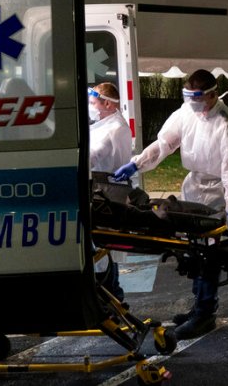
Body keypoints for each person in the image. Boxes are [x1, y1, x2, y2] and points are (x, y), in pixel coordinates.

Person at [113, 69, 228, 339]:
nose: (192, 105)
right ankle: (199, 307)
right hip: (193, 188)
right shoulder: (186, 113)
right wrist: (136, 164)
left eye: (196, 99)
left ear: (212, 94)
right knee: (194, 253)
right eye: (188, 98)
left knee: (210, 256)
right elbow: (164, 145)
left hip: (217, 194)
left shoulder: (227, 124)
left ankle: (205, 314)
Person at [88, 82, 132, 302]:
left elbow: (92, 155)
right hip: (104, 189)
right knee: (103, 248)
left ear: (106, 103)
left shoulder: (114, 128)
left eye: (93, 102)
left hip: (107, 192)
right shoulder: (106, 124)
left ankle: (111, 296)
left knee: (103, 248)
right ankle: (111, 295)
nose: (90, 106)